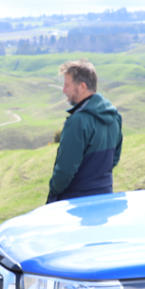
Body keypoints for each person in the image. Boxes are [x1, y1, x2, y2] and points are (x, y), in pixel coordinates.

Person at [47, 59, 123, 204]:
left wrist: (53, 191)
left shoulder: (77, 122)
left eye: (67, 85)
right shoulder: (114, 117)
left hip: (77, 204)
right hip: (105, 199)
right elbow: (114, 158)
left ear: (82, 87)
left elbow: (64, 172)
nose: (64, 90)